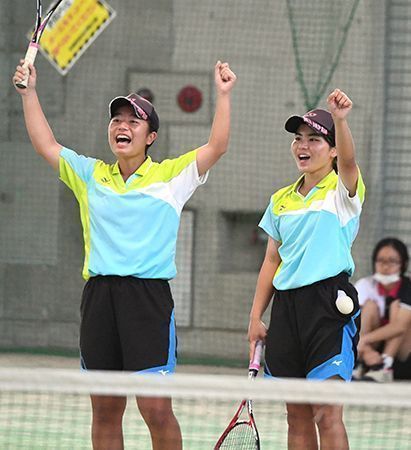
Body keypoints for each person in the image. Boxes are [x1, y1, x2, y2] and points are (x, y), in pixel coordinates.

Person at [13, 60, 236, 450]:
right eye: (116, 119)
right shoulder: (90, 175)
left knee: (155, 408)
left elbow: (216, 146)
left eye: (134, 121)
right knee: (104, 408)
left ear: (150, 136)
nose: (122, 126)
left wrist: (223, 95)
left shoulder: (170, 177)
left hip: (147, 301)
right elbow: (46, 145)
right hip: (100, 299)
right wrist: (29, 92)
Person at [248, 89, 364, 450]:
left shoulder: (342, 192)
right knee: (296, 416)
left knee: (327, 413)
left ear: (331, 150)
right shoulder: (280, 200)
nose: (303, 145)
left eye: (314, 139)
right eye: (298, 139)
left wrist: (340, 121)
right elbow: (272, 259)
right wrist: (255, 317)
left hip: (328, 306)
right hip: (287, 310)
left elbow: (348, 163)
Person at [355, 237, 411, 382]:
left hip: (402, 355)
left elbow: (399, 327)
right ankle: (361, 364)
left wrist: (363, 340)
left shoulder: (407, 287)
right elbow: (352, 323)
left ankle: (385, 365)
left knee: (397, 309)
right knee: (369, 307)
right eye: (380, 261)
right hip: (369, 353)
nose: (385, 267)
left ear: (403, 264)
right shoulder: (365, 285)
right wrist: (366, 350)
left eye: (392, 261)